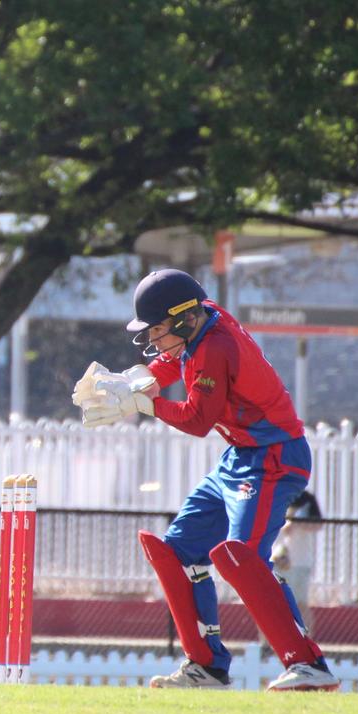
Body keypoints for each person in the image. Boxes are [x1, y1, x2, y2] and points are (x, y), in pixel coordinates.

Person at [74, 269, 339, 692]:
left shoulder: (215, 347)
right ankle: (207, 667)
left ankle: (309, 664)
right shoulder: (202, 319)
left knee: (242, 556)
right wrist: (132, 381)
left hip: (273, 457)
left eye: (157, 329)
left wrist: (145, 404)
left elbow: (198, 420)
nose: (153, 339)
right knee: (176, 551)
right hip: (240, 455)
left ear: (183, 318)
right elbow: (170, 361)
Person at [271, 490, 324, 633]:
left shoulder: (306, 499)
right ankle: (267, 644)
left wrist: (296, 523)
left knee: (300, 604)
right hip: (277, 559)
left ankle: (307, 641)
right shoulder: (275, 495)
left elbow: (318, 525)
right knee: (271, 605)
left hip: (300, 562)